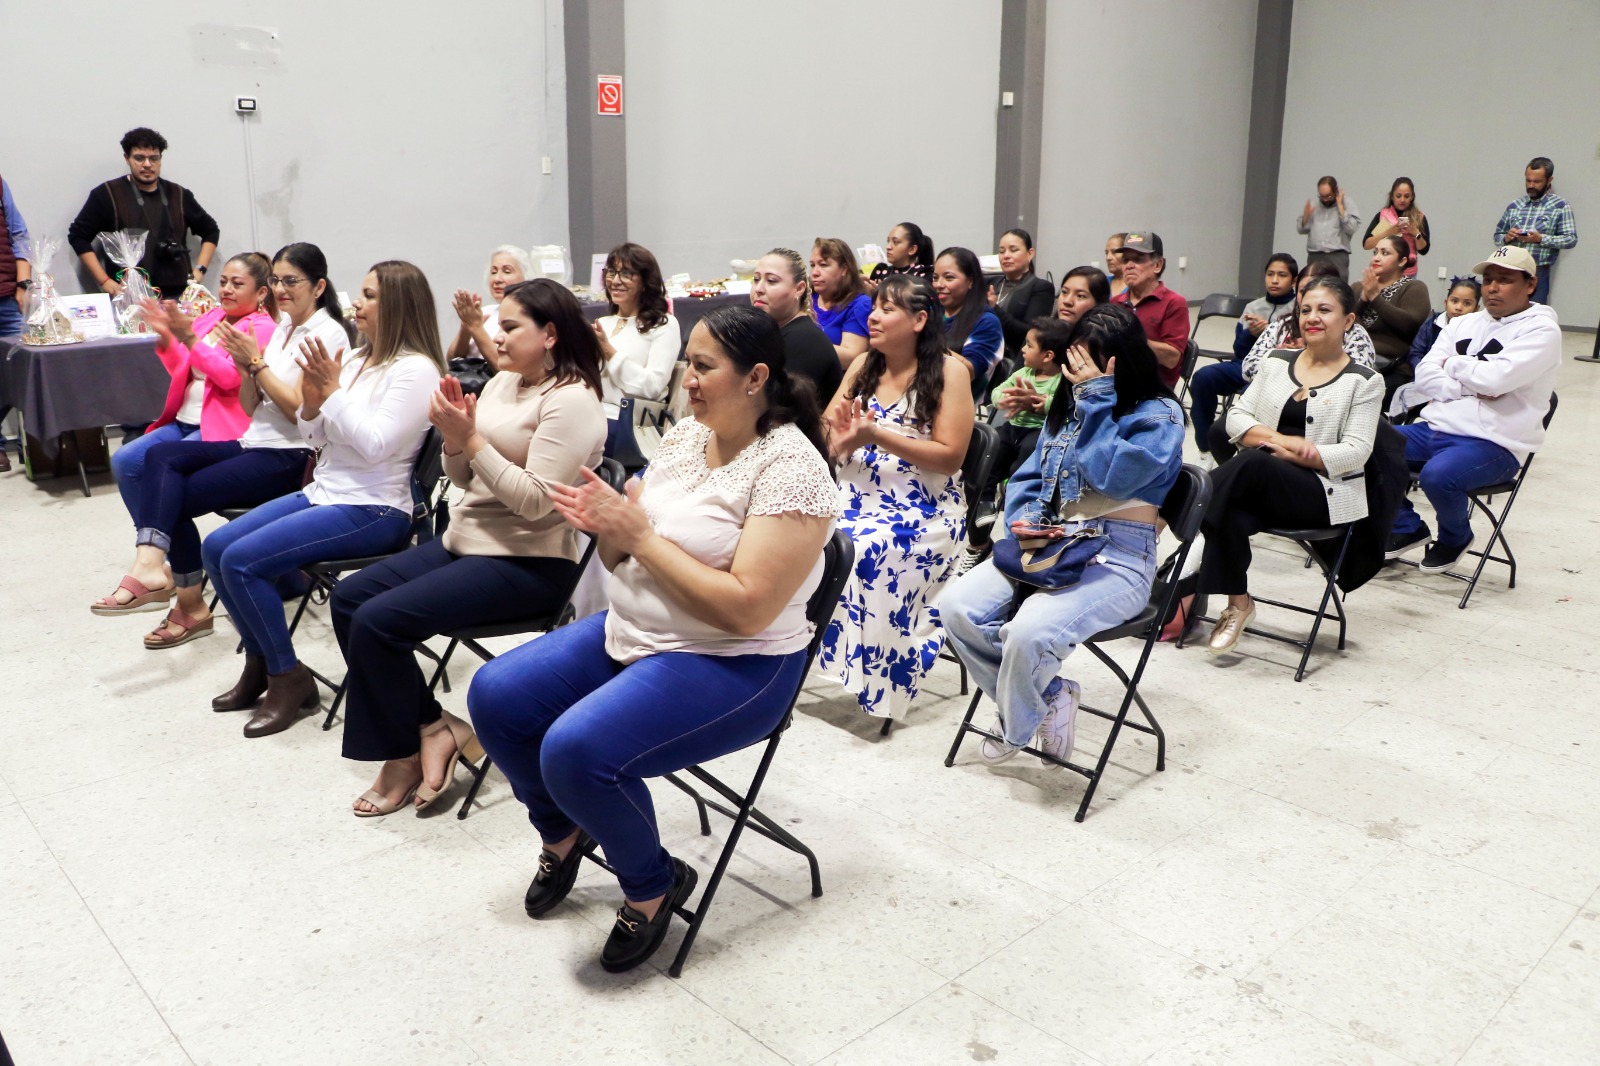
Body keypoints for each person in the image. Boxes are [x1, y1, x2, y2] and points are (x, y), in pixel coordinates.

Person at [466, 304, 838, 974]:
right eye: (687, 363)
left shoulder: (792, 468)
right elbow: (620, 559)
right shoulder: (686, 436)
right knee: (495, 694)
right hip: (637, 630)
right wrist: (608, 527)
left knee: (575, 750)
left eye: (703, 367)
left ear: (756, 378)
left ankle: (652, 884)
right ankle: (562, 832)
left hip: (736, 663)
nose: (685, 380)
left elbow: (748, 612)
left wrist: (637, 535)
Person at [332, 279, 607, 816]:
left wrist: (472, 439)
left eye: (510, 327)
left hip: (530, 561)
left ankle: (403, 756)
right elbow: (462, 478)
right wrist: (456, 441)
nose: (495, 337)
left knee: (378, 622)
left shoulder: (572, 401)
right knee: (349, 600)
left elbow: (535, 502)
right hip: (468, 540)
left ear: (550, 334)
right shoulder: (505, 382)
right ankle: (433, 727)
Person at [203, 260, 444, 738]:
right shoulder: (355, 359)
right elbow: (316, 438)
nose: (357, 303)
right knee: (216, 548)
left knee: (243, 563)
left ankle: (287, 677)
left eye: (370, 296)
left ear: (398, 306)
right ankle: (261, 664)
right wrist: (313, 405)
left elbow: (375, 445)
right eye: (361, 293)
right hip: (328, 490)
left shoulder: (416, 370)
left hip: (376, 507)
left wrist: (330, 394)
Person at [942, 302, 1183, 763]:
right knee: (955, 609)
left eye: (1089, 364)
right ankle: (1047, 695)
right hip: (1052, 541)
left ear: (1121, 362)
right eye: (1075, 362)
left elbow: (1114, 479)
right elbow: (1032, 477)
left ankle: (1016, 720)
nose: (1077, 374)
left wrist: (1097, 401)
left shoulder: (1160, 415)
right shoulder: (1071, 405)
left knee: (1027, 634)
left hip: (1120, 558)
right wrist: (1026, 516)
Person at [88, 243, 352, 645]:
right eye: (277, 280)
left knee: (167, 493)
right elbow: (250, 404)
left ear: (318, 287)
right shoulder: (283, 327)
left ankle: (184, 600)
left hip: (291, 455)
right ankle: (155, 567)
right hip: (253, 441)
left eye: (291, 281)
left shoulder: (324, 332)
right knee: (157, 459)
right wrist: (247, 370)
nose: (281, 289)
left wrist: (254, 364)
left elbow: (298, 413)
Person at [815, 276, 975, 719]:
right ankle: (791, 656)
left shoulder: (949, 371)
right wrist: (838, 440)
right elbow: (828, 429)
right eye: (874, 308)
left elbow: (951, 457)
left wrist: (875, 435)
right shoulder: (863, 363)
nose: (873, 317)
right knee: (794, 534)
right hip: (853, 493)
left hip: (922, 509)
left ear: (919, 320)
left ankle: (878, 675)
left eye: (887, 309)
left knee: (862, 548)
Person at [1199, 276, 1384, 653]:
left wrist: (1306, 453)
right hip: (1266, 482)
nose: (1312, 317)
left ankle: (1169, 514)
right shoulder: (1276, 361)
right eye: (1306, 310)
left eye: (1324, 310)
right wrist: (1282, 442)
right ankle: (1238, 603)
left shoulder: (1364, 381)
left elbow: (1357, 451)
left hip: (1322, 493)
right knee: (1228, 508)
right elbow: (1236, 416)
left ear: (1348, 320)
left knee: (1251, 463)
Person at [1385, 246, 1560, 573]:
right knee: (1366, 446)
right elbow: (1425, 374)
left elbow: (1496, 380)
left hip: (1494, 443)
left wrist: (1452, 364)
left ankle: (1455, 538)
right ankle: (1406, 527)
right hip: (1435, 428)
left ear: (1531, 285)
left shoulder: (1541, 331)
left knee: (1438, 475)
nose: (1493, 287)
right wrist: (1467, 384)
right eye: (1488, 279)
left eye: (1504, 280)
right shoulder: (1463, 323)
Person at [105, 255, 279, 529]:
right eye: (223, 282)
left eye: (237, 284)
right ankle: (155, 540)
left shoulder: (261, 327)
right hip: (183, 421)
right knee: (124, 461)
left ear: (261, 293)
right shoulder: (212, 316)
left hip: (219, 428)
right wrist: (166, 335)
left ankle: (164, 546)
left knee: (164, 476)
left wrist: (188, 338)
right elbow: (181, 368)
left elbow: (229, 378)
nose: (226, 290)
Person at [67, 128, 219, 300]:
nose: (147, 164)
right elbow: (78, 236)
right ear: (127, 158)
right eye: (139, 158)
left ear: (160, 159)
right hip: (130, 297)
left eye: (154, 158)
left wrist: (199, 270)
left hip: (179, 295)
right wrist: (104, 281)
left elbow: (211, 231)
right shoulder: (107, 194)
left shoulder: (178, 194)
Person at [1189, 253, 1298, 456]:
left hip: (1277, 372)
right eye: (1270, 274)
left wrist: (1269, 330)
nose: (1274, 280)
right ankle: (1206, 448)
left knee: (1250, 392)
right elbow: (1239, 351)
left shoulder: (1298, 309)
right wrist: (1250, 334)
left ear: (1293, 281)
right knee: (1203, 377)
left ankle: (1240, 450)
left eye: (1282, 275)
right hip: (1245, 364)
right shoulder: (1253, 307)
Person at [592, 242, 681, 455]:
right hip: (592, 413)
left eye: (626, 274)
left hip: (628, 422)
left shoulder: (663, 324)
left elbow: (652, 387)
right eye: (611, 272)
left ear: (645, 281)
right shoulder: (603, 323)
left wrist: (608, 351)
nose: (615, 281)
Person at [1240, 261, 1378, 388]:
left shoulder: (1355, 334)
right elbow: (1249, 368)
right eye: (1303, 291)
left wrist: (1303, 360)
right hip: (1275, 394)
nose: (1312, 318)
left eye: (1324, 310)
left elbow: (1355, 381)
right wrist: (1283, 358)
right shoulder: (1281, 325)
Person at [749, 247, 842, 401]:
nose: (758, 289)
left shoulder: (804, 339)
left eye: (771, 281)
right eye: (756, 279)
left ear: (799, 289)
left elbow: (778, 406)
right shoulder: (777, 332)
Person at [1356, 234, 1431, 406]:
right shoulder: (1358, 287)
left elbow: (1409, 325)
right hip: (1353, 361)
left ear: (1402, 261)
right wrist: (1363, 300)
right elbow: (1343, 325)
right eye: (1375, 252)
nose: (1376, 257)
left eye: (1385, 253)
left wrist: (1375, 297)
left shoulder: (1413, 287)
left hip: (1391, 369)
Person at [1494, 156, 1578, 306]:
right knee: (1505, 310)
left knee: (1534, 313)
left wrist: (1541, 239)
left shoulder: (1560, 206)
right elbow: (1497, 236)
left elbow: (1570, 239)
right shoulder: (1515, 205)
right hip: (1511, 267)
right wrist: (1507, 237)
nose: (1531, 185)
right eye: (1528, 180)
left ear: (1549, 180)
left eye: (1537, 181)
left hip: (1538, 271)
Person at [1111, 232, 1188, 389]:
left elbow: (1172, 358)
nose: (1129, 265)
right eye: (1125, 260)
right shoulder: (1115, 302)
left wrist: (1131, 339)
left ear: (1157, 265)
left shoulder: (1174, 303)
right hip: (1117, 383)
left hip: (1154, 390)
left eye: (1138, 259)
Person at [932, 246, 1004, 391]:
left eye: (949, 278)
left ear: (970, 281)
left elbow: (968, 372)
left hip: (961, 399)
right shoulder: (930, 313)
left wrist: (926, 345)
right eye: (935, 278)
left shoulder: (986, 322)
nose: (939, 285)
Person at [0, 173, 34, 471]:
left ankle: (33, 445)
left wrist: (23, 284)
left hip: (7, 298)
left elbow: (18, 234)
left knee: (24, 370)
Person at [447, 245, 533, 361]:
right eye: (493, 272)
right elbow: (452, 359)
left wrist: (476, 327)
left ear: (526, 277)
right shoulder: (484, 312)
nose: (497, 279)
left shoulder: (529, 316)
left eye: (507, 271)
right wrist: (465, 327)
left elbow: (504, 366)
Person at [986, 228, 1056, 362]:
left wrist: (995, 309)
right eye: (1001, 251)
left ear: (1030, 253)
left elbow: (1029, 333)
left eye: (1013, 250)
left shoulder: (1040, 287)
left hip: (1015, 358)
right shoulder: (990, 283)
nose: (1006, 256)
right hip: (985, 349)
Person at [810, 237, 872, 367]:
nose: (814, 272)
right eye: (812, 265)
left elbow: (851, 357)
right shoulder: (806, 298)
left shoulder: (859, 305)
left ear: (844, 269)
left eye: (823, 265)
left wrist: (801, 341)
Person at [1405, 276, 1481, 379]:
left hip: (1461, 381)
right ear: (1446, 303)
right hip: (1428, 377)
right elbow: (1415, 353)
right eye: (1454, 301)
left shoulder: (1479, 330)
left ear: (1476, 308)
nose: (1459, 307)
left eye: (1467, 303)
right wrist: (1426, 373)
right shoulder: (1432, 323)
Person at [1362, 177, 1431, 277]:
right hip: (1385, 270)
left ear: (1412, 197)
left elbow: (1424, 250)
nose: (1402, 200)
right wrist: (1388, 232)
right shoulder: (1383, 215)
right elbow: (1366, 244)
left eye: (1406, 196)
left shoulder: (1418, 217)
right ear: (1392, 196)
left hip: (1408, 272)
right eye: (1398, 196)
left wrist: (1416, 233)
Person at [1295, 175, 1361, 279]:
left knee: (1337, 286)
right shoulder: (1313, 204)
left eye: (1328, 196)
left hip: (1337, 255)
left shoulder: (1347, 203)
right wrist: (1306, 218)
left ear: (1336, 191)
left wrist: (1341, 209)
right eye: (1322, 196)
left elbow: (1352, 229)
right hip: (1315, 255)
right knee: (1313, 285)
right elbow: (1300, 229)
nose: (1325, 200)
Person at [867, 222, 935, 290]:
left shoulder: (924, 275)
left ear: (912, 249)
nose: (888, 247)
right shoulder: (881, 272)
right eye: (888, 241)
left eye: (895, 242)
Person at [1104, 233, 1128, 299]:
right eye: (1106, 253)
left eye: (1114, 252)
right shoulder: (1103, 282)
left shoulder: (1136, 285)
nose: (1108, 258)